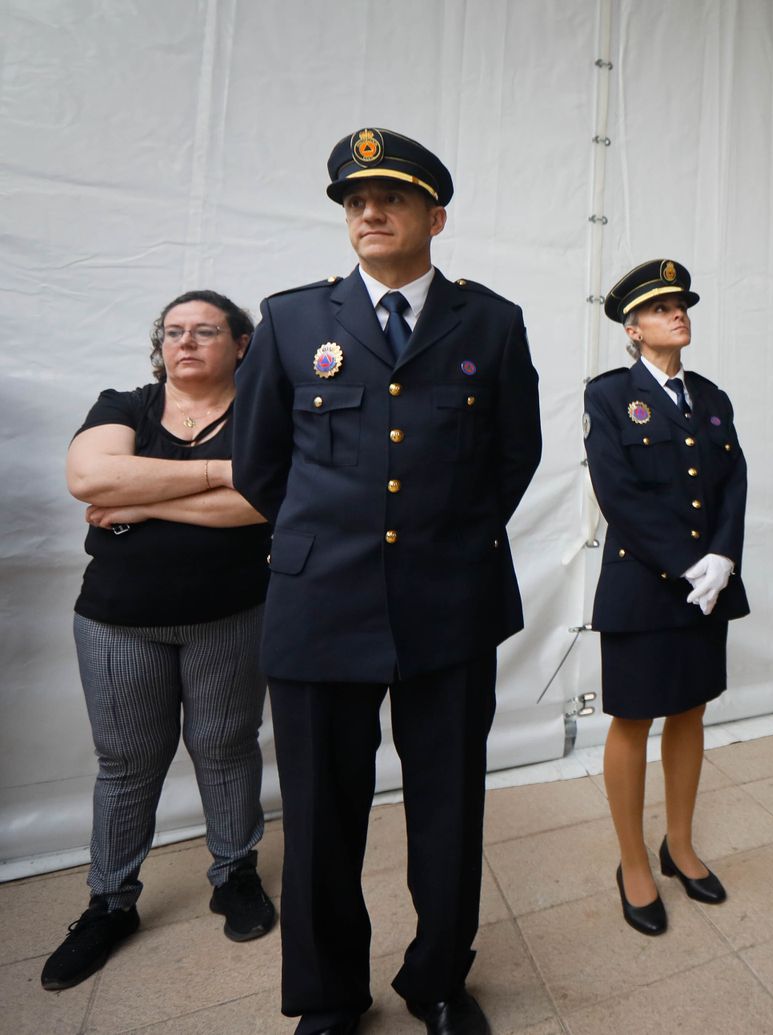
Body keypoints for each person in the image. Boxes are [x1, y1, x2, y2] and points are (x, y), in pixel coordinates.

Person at [233, 128, 541, 1035]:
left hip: (450, 599)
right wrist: (337, 541)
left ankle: (439, 979)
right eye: (354, 200)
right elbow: (261, 467)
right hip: (320, 601)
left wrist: (442, 541)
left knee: (448, 808)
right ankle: (328, 995)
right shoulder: (292, 319)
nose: (369, 212)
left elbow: (512, 455)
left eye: (392, 198)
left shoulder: (490, 320)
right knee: (324, 815)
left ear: (434, 216)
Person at [48, 290, 276, 991]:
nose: (185, 341)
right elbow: (90, 476)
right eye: (173, 330)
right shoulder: (125, 405)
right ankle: (111, 902)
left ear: (241, 344)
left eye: (205, 329)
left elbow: (267, 497)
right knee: (126, 762)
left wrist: (143, 499)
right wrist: (217, 472)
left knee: (227, 745)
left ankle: (233, 873)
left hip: (232, 615)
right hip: (120, 623)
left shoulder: (263, 413)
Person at [583, 259, 749, 936]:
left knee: (690, 711)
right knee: (634, 721)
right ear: (633, 326)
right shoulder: (610, 395)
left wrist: (724, 555)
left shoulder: (709, 396)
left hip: (707, 589)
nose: (677, 313)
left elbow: (734, 477)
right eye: (660, 307)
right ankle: (632, 862)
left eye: (681, 304)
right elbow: (618, 492)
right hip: (643, 587)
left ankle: (678, 844)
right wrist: (690, 563)